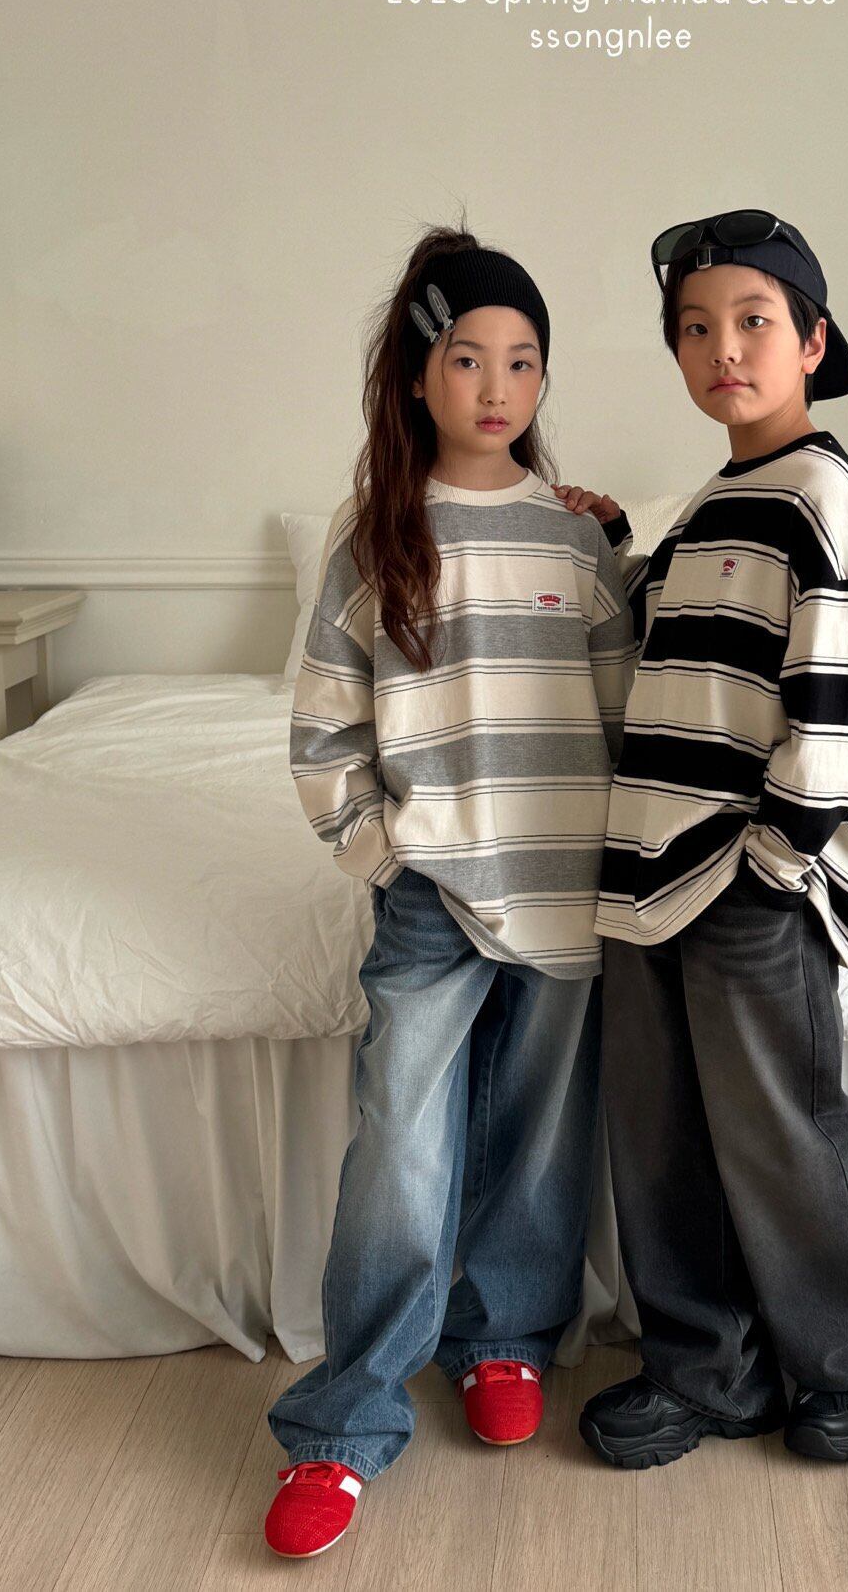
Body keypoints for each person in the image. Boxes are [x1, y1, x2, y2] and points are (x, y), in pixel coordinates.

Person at [263, 224, 633, 1559]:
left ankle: (508, 1335)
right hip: (432, 893)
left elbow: (626, 708)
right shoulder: (376, 540)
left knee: (538, 1132)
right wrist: (382, 853)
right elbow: (324, 730)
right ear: (419, 374)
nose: (496, 386)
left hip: (566, 888)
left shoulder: (578, 539)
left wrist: (621, 539)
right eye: (469, 357)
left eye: (523, 361)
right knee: (400, 1152)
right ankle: (344, 1421)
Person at [553, 208, 848, 1471]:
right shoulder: (717, 502)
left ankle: (846, 1359)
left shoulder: (821, 494)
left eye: (753, 322)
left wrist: (778, 859)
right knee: (658, 1136)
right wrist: (614, 545)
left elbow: (835, 695)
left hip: (749, 871)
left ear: (812, 342)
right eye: (695, 329)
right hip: (648, 865)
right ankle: (703, 1368)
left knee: (781, 1132)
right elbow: (666, 649)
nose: (723, 349)